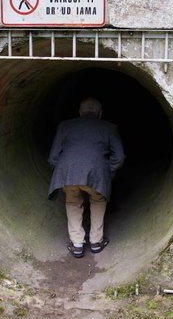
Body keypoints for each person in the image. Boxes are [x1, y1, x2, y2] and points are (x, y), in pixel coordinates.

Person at [48, 97, 125, 258]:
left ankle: (77, 244)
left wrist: (63, 171)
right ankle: (96, 242)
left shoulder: (65, 126)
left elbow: (53, 157)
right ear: (100, 113)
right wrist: (106, 172)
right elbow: (119, 157)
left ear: (80, 112)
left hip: (67, 173)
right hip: (96, 174)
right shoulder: (109, 128)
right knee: (98, 200)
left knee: (73, 202)